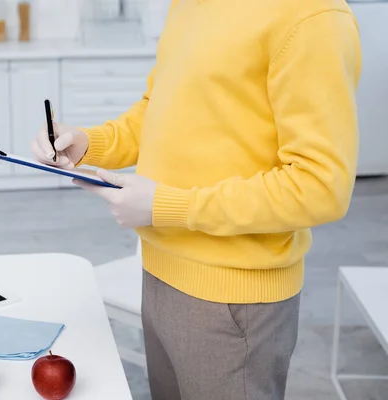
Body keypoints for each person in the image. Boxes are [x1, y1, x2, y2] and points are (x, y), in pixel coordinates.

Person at [31, 0, 361, 399]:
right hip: (159, 275)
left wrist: (165, 206)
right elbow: (159, 109)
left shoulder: (312, 16)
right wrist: (89, 143)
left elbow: (320, 186)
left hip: (233, 301)